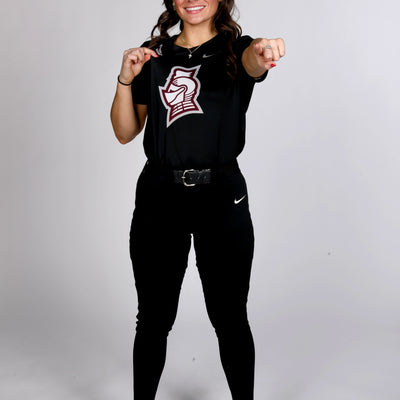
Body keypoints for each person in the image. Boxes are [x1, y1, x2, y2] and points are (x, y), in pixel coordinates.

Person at [110, 0, 285, 398]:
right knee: (152, 319)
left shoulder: (236, 50)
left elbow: (254, 60)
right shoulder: (154, 55)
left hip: (222, 197)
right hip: (159, 196)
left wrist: (264, 50)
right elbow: (124, 132)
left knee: (230, 318)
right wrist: (125, 78)